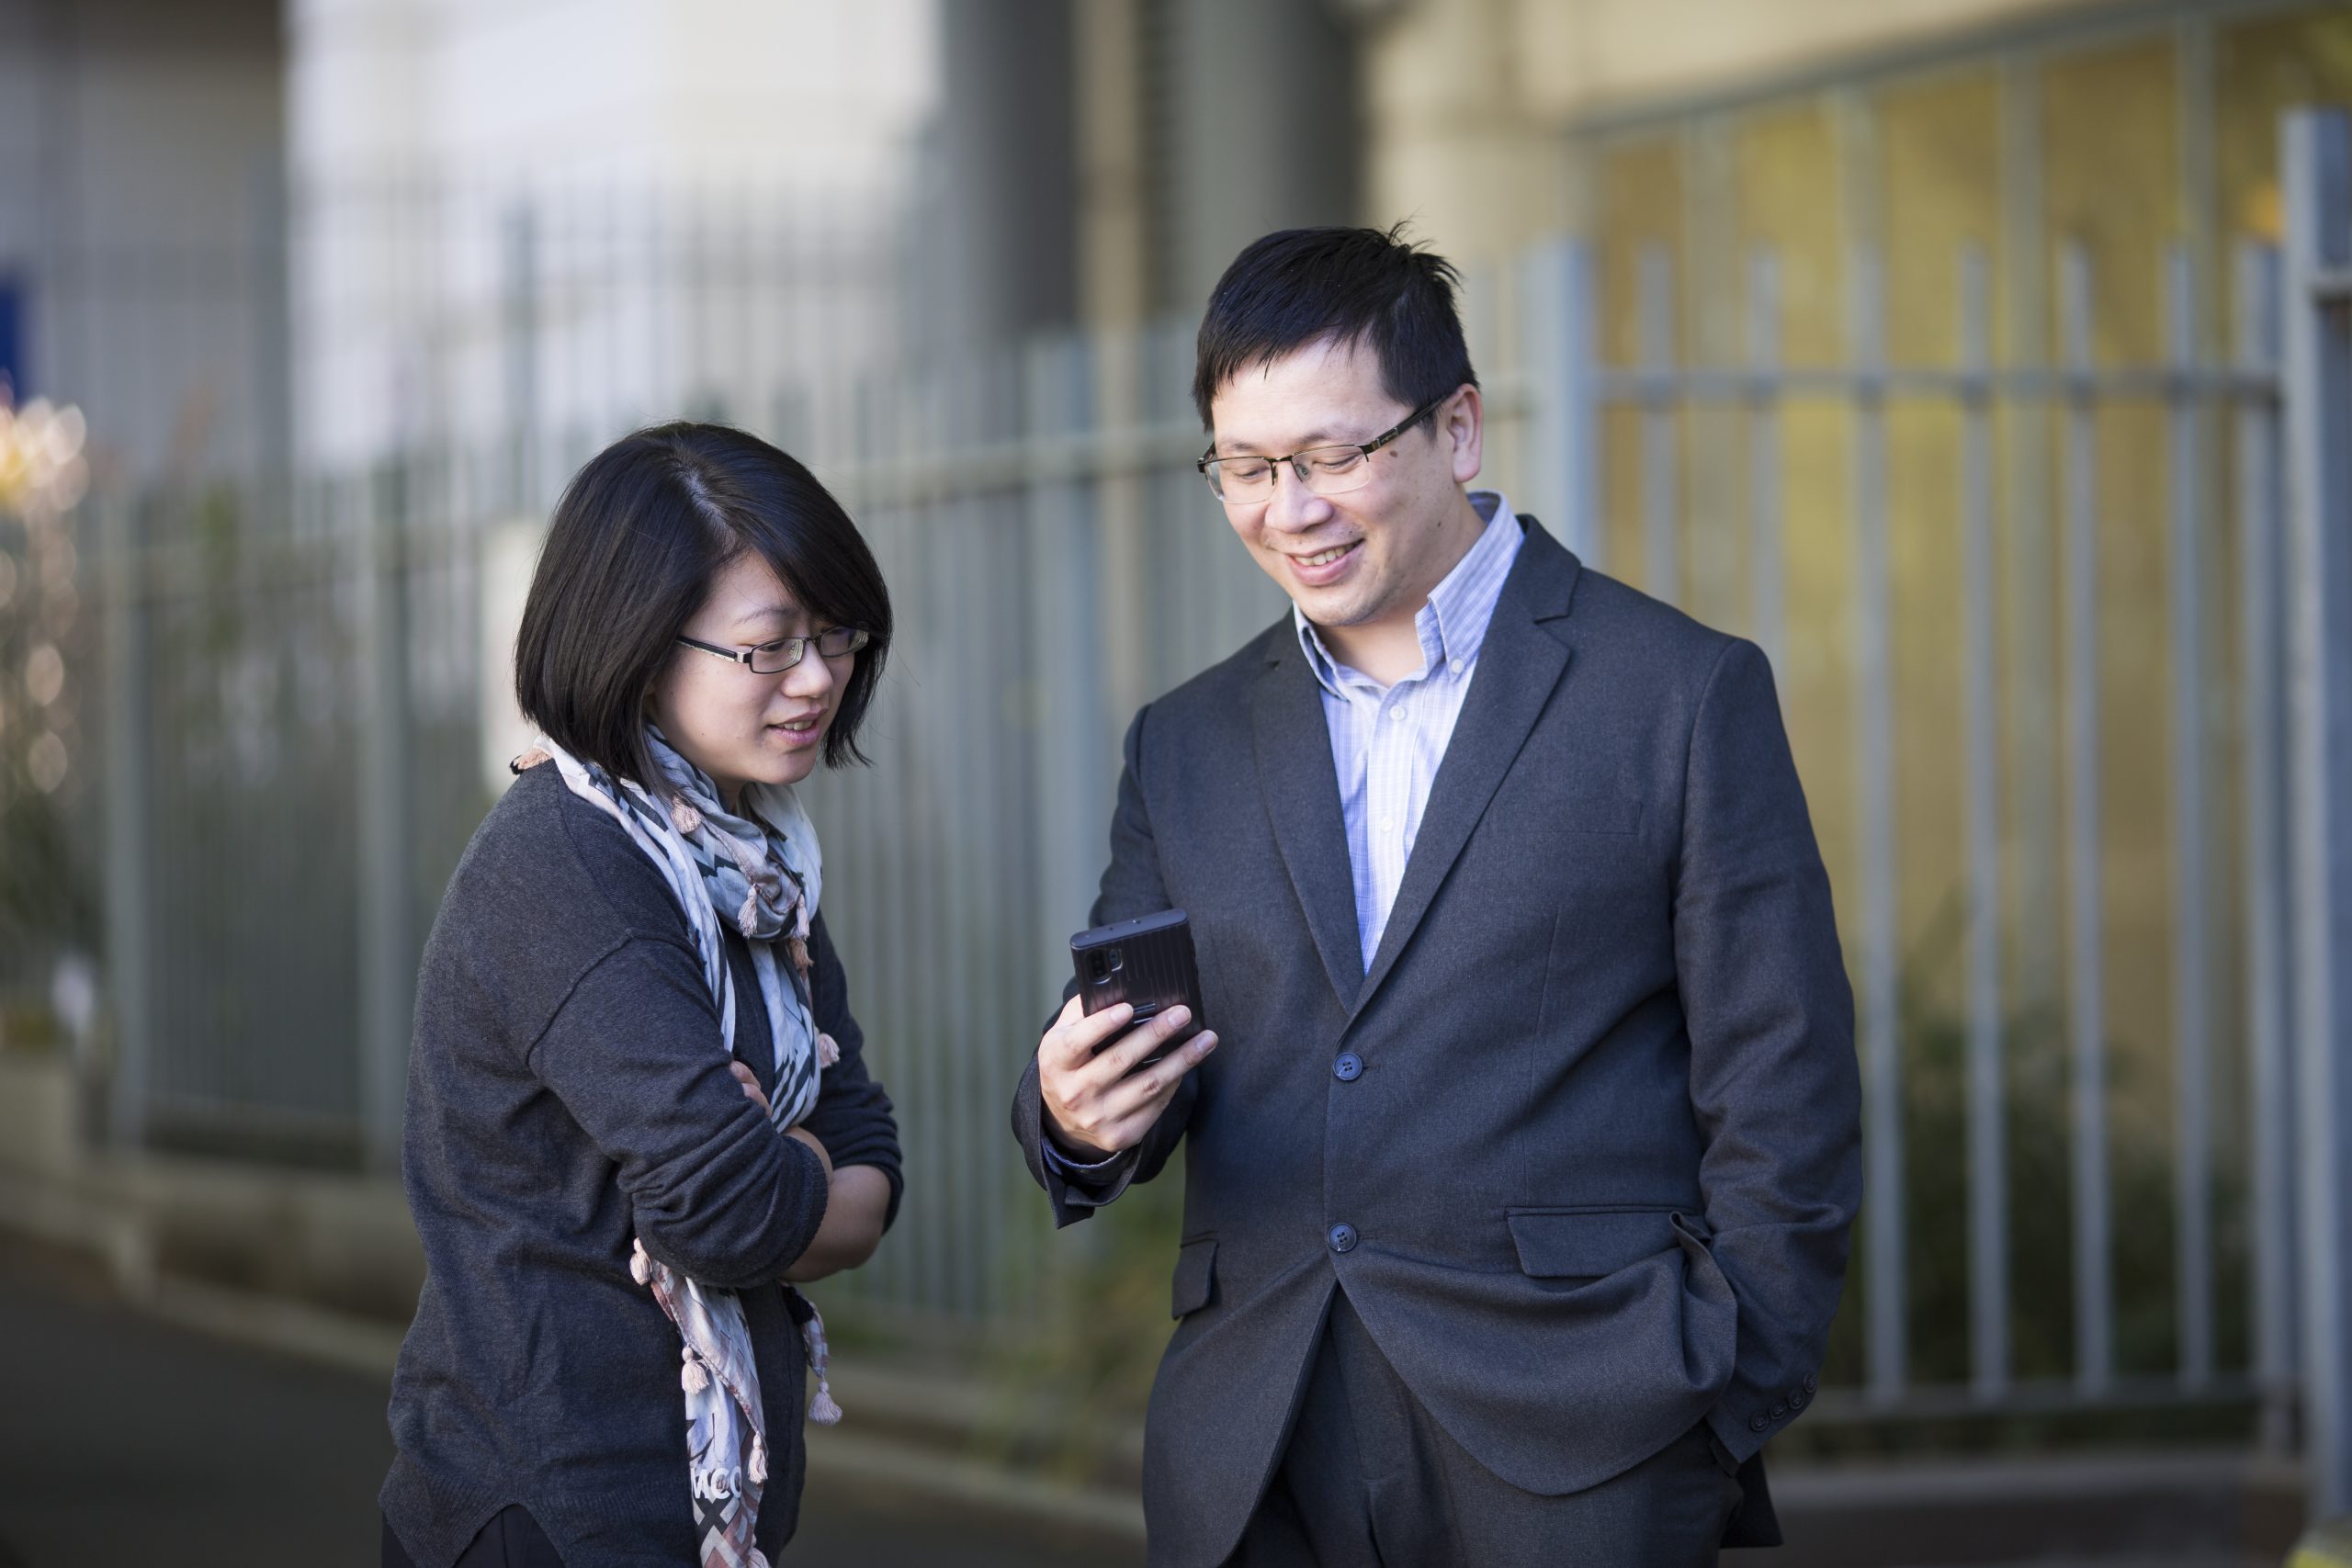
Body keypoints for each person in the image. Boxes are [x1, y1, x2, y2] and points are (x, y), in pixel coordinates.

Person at [1012, 226, 1862, 1568]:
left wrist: (1717, 1395)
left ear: (1457, 428)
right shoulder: (1185, 740)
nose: (1290, 507)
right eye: (1247, 466)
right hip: (1262, 1442)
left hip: (1588, 1435)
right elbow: (1131, 1050)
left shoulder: (1680, 693)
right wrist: (1073, 1112)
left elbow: (1786, 1080)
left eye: (1337, 454)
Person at [382, 423, 902, 1568]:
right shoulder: (569, 866)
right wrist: (787, 1171)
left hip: (696, 1509)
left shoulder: (753, 870)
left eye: (835, 635)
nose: (816, 676)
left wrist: (782, 1169)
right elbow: (724, 1209)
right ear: (636, 646)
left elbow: (869, 1157)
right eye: (770, 647)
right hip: (551, 1508)